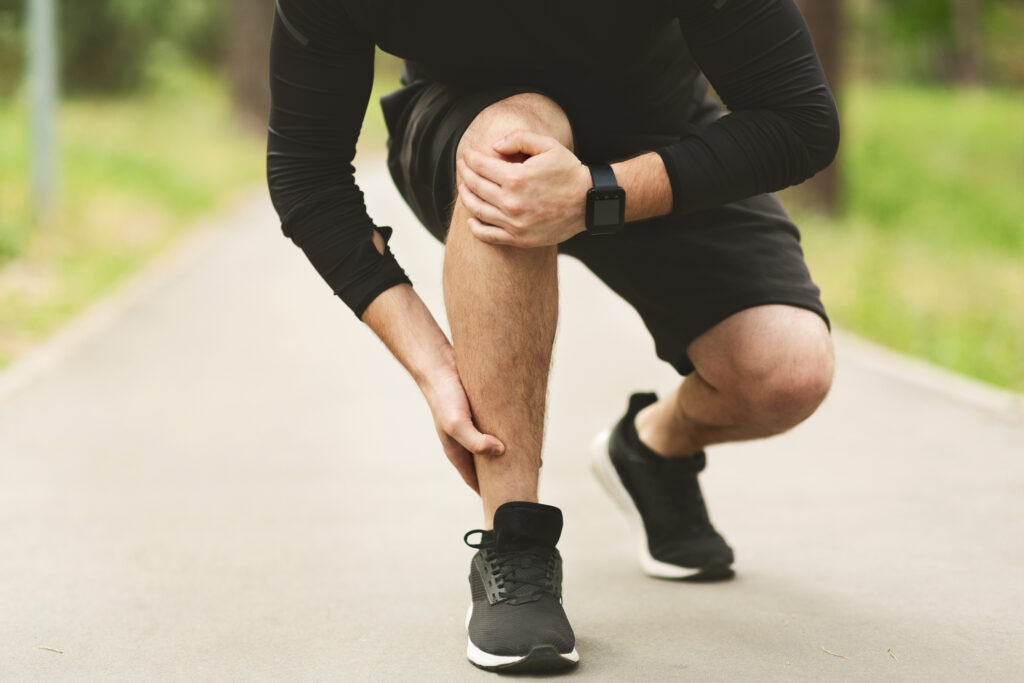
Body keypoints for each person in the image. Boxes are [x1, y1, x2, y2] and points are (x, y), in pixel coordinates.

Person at [266, 0, 839, 673]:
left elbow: (800, 122)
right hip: (467, 130)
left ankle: (650, 451)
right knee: (513, 141)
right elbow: (307, 171)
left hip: (654, 139)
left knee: (786, 370)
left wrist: (600, 193)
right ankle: (515, 541)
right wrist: (434, 366)